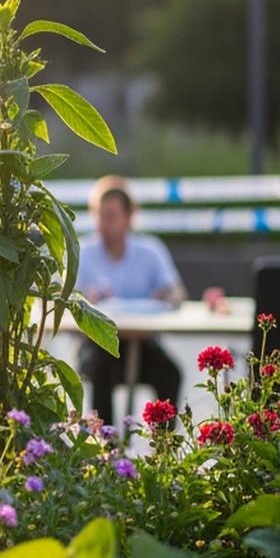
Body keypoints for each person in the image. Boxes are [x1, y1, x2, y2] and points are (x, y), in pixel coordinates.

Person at [75, 176, 186, 426]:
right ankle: (107, 453)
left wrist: (167, 295)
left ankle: (164, 448)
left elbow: (177, 291)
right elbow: (67, 298)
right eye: (99, 216)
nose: (104, 224)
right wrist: (83, 300)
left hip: (143, 344)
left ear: (129, 217)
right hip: (97, 345)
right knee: (99, 370)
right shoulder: (83, 252)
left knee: (171, 374)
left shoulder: (151, 250)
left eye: (111, 216)